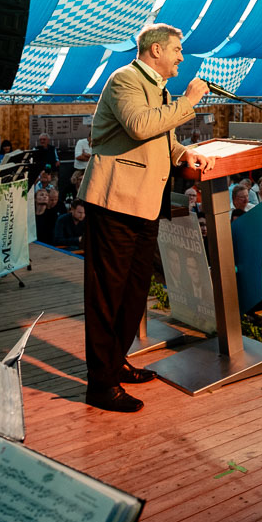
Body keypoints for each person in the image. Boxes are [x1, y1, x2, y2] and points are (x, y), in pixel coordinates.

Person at [78, 23, 214, 412]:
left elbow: (162, 138)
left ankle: (116, 360)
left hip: (144, 203)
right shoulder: (124, 79)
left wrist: (184, 154)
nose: (181, 57)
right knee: (107, 295)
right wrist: (188, 101)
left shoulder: (157, 88)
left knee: (134, 292)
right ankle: (100, 386)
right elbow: (140, 126)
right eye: (177, 50)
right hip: (116, 201)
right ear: (155, 50)